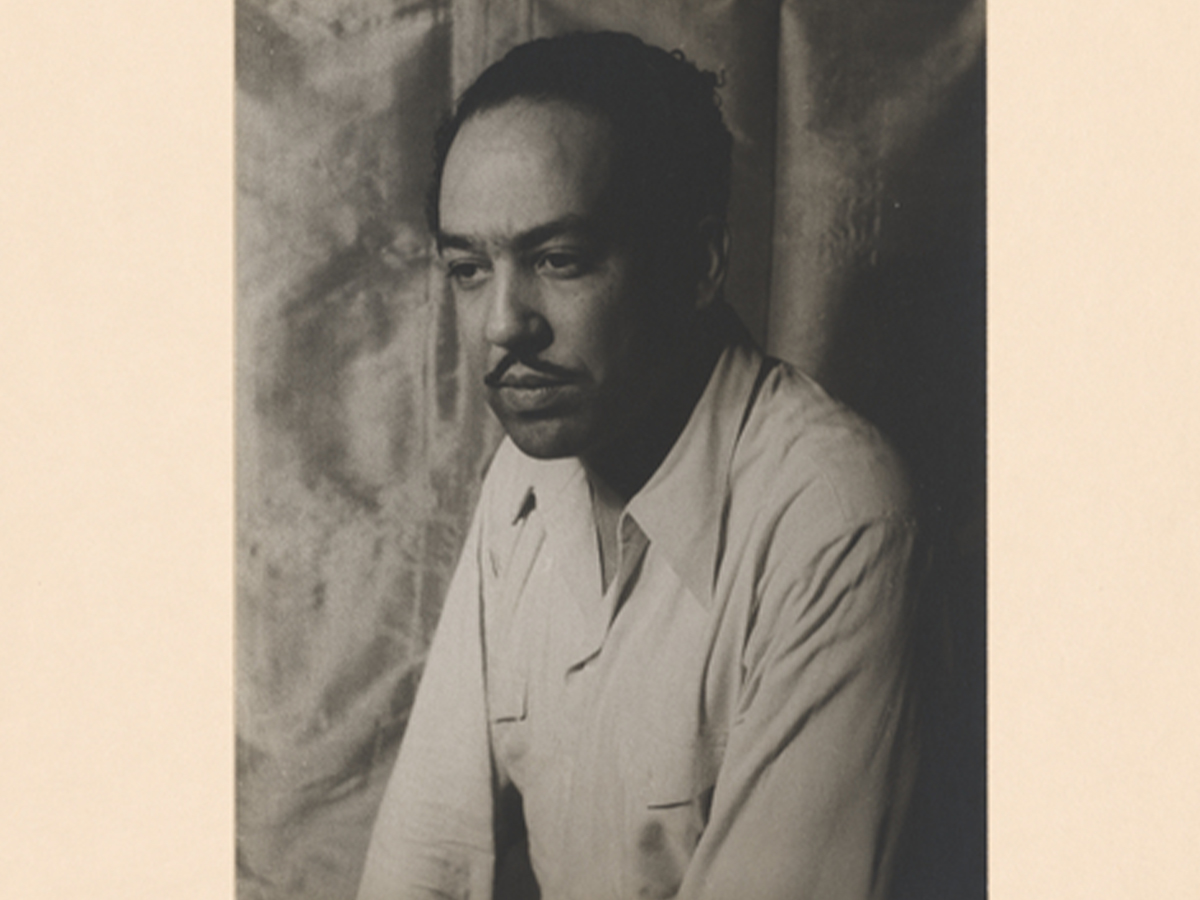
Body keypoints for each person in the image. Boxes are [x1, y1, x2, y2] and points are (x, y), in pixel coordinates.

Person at [357, 31, 920, 900]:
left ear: (698, 266)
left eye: (560, 261)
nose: (504, 325)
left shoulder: (837, 521)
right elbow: (425, 857)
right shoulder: (523, 477)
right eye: (468, 269)